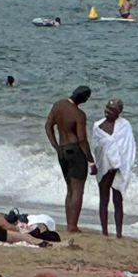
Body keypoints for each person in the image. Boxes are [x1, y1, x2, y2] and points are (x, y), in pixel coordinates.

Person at [43, 85, 93, 233]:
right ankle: (73, 226)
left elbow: (48, 126)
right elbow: (82, 140)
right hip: (76, 151)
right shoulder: (79, 115)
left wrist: (56, 146)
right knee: (78, 190)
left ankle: (69, 223)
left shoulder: (58, 105)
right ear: (83, 98)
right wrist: (90, 160)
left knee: (70, 189)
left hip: (62, 150)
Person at [91, 99, 135, 239]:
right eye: (107, 109)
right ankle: (104, 231)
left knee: (118, 201)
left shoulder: (125, 125)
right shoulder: (97, 126)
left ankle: (119, 233)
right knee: (104, 200)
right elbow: (96, 147)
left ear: (118, 113)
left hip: (120, 168)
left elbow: (129, 148)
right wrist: (97, 164)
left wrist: (121, 165)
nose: (107, 112)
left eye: (112, 110)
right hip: (104, 167)